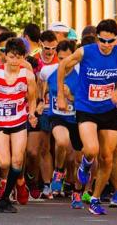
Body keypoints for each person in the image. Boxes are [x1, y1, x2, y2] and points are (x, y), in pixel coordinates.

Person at [57, 19, 117, 215]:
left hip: (108, 109)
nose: (106, 45)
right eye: (102, 41)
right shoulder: (86, 51)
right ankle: (85, 164)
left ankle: (95, 198)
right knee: (91, 149)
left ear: (116, 39)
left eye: (110, 41)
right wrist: (61, 96)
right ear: (97, 38)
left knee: (107, 157)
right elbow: (62, 66)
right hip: (86, 107)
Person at [0, 38, 38, 213]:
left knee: (17, 160)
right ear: (5, 56)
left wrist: (32, 113)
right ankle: (16, 180)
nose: (14, 61)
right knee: (4, 163)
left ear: (23, 57)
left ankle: (4, 199)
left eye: (18, 57)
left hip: (19, 120)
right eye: (11, 56)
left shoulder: (27, 75)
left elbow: (32, 98)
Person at [40, 40, 83, 206]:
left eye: (68, 58)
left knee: (77, 159)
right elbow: (40, 82)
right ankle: (58, 171)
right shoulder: (48, 71)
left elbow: (85, 100)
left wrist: (70, 96)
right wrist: (39, 99)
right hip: (57, 115)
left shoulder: (81, 74)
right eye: (60, 58)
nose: (64, 62)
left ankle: (77, 192)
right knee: (62, 141)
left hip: (76, 118)